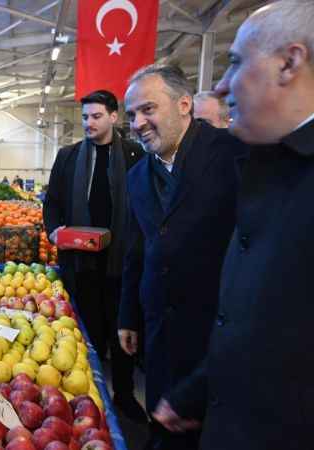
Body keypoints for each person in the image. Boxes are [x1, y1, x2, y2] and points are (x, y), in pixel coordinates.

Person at [152, 2, 314, 449]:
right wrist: (200, 391)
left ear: (290, 63)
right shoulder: (270, 164)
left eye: (237, 62)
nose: (221, 86)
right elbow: (271, 321)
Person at [119, 64, 244, 450]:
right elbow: (137, 249)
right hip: (159, 330)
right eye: (131, 115)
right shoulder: (138, 176)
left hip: (215, 329)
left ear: (184, 104)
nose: (138, 123)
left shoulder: (231, 154)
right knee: (164, 421)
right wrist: (129, 315)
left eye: (147, 110)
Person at [43, 90, 145, 422]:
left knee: (122, 328)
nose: (89, 122)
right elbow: (53, 202)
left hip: (121, 261)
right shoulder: (69, 156)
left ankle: (126, 394)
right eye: (85, 117)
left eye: (96, 116)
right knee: (86, 329)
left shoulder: (134, 154)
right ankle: (89, 394)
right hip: (79, 262)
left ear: (114, 117)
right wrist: (55, 229)